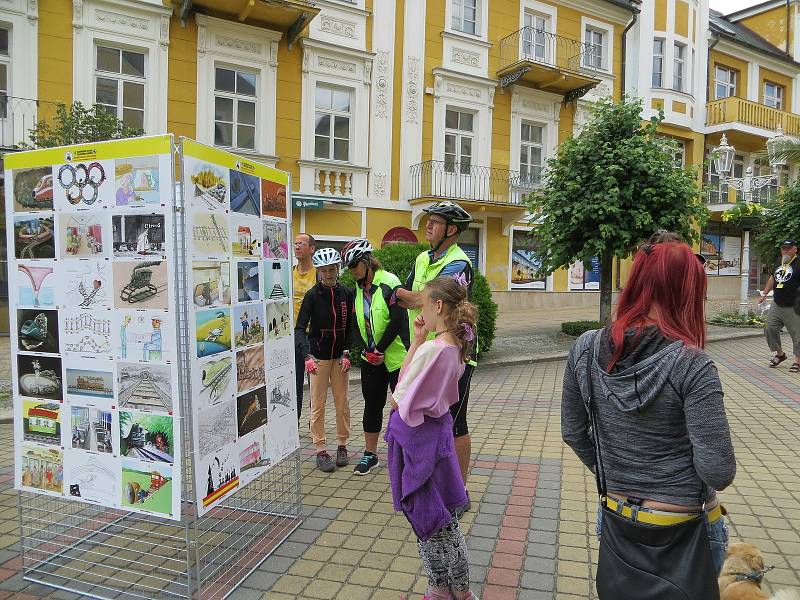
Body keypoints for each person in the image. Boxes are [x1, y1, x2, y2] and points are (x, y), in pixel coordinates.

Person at [561, 241, 736, 578]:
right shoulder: (692, 364)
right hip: (683, 526)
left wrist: (611, 471)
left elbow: (572, 431)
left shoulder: (584, 348)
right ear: (687, 291)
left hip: (616, 516)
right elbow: (718, 471)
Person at [386, 277, 478, 600]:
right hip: (437, 437)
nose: (422, 311)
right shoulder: (457, 347)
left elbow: (399, 396)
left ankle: (451, 590)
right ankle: (449, 589)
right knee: (445, 520)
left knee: (431, 522)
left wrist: (416, 343)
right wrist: (420, 338)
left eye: (425, 304)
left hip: (416, 443)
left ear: (438, 306)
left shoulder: (431, 350)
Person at [395, 201, 476, 498]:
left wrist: (414, 297)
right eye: (428, 220)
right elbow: (404, 297)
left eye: (436, 222)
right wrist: (412, 297)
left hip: (452, 351)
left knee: (455, 422)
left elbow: (416, 298)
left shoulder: (459, 262)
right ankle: (433, 480)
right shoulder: (422, 259)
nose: (428, 225)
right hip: (425, 347)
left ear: (451, 230)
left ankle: (460, 489)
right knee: (429, 420)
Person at [342, 238, 409, 476]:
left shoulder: (389, 282)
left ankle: (406, 454)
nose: (351, 272)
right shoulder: (357, 291)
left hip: (397, 356)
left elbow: (399, 319)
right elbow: (357, 325)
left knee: (403, 407)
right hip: (371, 358)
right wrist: (365, 350)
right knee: (372, 406)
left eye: (354, 266)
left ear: (367, 261)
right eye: (349, 268)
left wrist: (380, 348)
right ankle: (370, 455)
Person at [295, 248, 354, 473]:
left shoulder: (346, 293)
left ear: (338, 269)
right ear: (318, 271)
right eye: (324, 270)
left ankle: (342, 445)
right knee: (317, 406)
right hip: (318, 358)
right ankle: (320, 449)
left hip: (340, 358)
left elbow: (350, 327)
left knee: (343, 403)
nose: (329, 274)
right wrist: (307, 355)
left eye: (332, 269)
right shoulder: (312, 295)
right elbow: (300, 329)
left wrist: (348, 351)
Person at [760, 239, 800, 372]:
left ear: (795, 249)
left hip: (794, 305)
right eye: (784, 248)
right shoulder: (779, 261)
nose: (786, 251)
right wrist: (764, 294)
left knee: (797, 335)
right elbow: (772, 278)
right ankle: (780, 354)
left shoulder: (798, 262)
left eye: (789, 248)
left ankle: (797, 362)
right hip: (777, 303)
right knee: (770, 328)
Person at [293, 233, 317, 420]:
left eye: (302, 243)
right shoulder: (289, 272)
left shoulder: (318, 274)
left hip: (313, 335)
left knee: (315, 383)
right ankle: (294, 422)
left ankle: (314, 423)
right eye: (295, 244)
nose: (297, 246)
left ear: (311, 249)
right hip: (293, 334)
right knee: (295, 381)